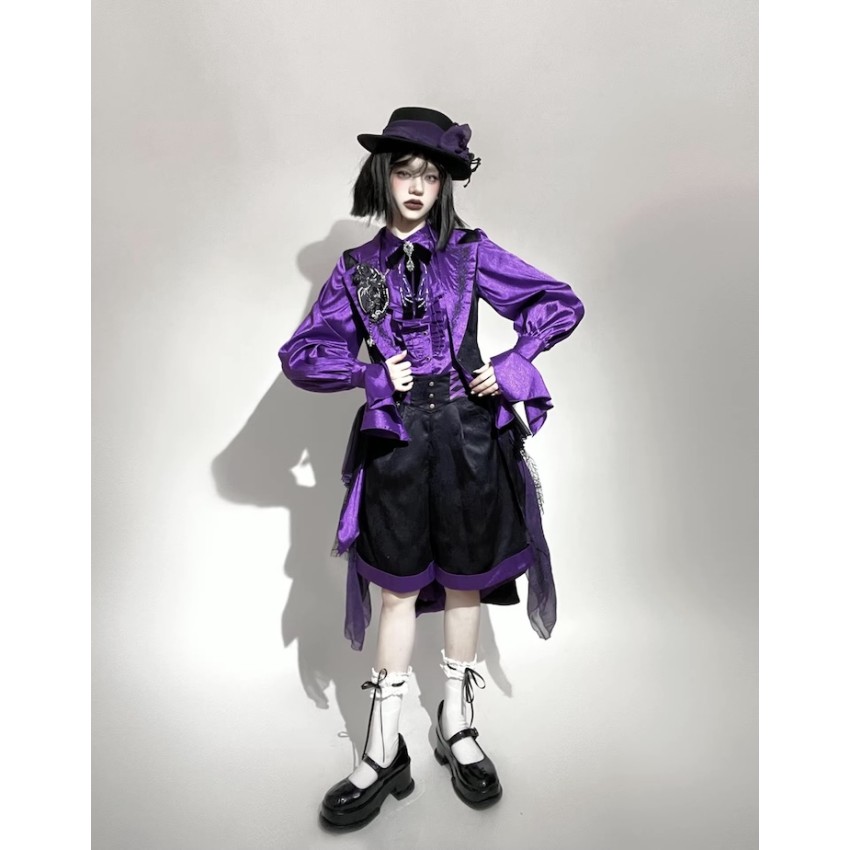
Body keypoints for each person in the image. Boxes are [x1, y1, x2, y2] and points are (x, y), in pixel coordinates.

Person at [278, 106, 585, 827]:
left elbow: (558, 302)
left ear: (445, 185)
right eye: (405, 172)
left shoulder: (470, 253)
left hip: (470, 440)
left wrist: (514, 363)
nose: (417, 187)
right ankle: (383, 750)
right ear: (381, 177)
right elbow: (301, 355)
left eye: (431, 175)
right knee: (396, 592)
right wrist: (367, 372)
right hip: (396, 445)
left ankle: (458, 727)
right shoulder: (357, 268)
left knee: (466, 582)